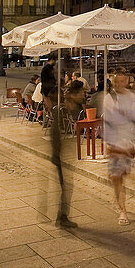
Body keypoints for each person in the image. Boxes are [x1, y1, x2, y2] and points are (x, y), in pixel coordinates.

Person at [102, 70, 135, 226]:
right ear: (114, 83)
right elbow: (108, 120)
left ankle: (120, 206)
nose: (120, 84)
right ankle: (121, 208)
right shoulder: (109, 99)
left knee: (120, 177)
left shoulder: (132, 97)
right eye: (117, 82)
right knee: (117, 178)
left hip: (127, 142)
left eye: (123, 81)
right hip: (115, 142)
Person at [49, 79, 87, 229]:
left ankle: (62, 216)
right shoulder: (61, 109)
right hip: (61, 155)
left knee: (67, 186)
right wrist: (56, 154)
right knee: (66, 186)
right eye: (81, 93)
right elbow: (54, 132)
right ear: (74, 94)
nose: (84, 95)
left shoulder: (75, 107)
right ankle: (62, 217)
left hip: (68, 153)